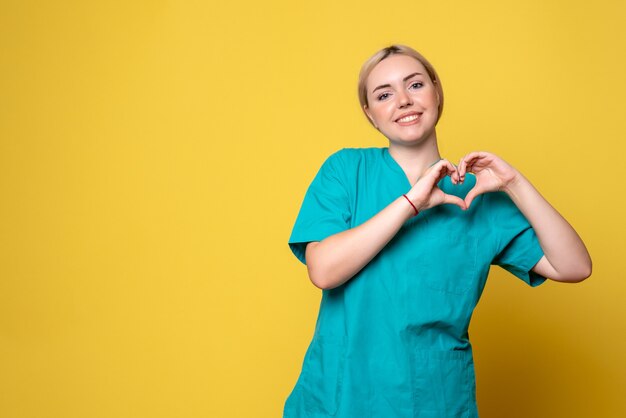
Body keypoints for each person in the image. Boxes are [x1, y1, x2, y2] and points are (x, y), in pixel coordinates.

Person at [283, 44, 592, 418]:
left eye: (414, 85)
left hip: (434, 403)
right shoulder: (346, 171)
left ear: (436, 91)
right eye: (384, 94)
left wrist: (515, 184)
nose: (402, 101)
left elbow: (575, 267)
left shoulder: (478, 196)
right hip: (338, 400)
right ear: (370, 114)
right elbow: (323, 270)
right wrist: (411, 203)